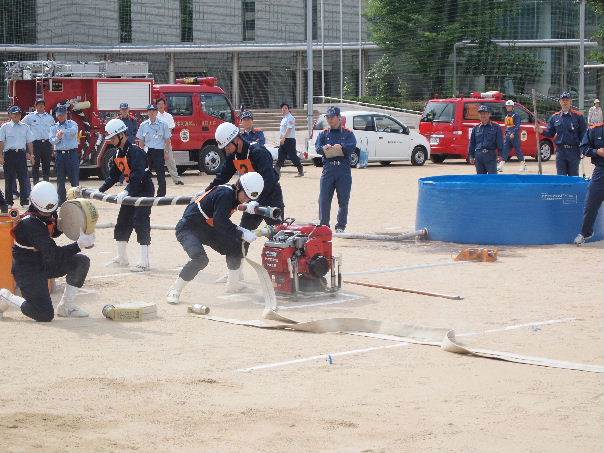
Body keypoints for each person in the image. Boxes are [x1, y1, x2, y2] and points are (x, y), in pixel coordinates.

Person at [0, 181, 94, 320]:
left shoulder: (47, 212)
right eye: (46, 211)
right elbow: (54, 254)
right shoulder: (29, 224)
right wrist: (79, 245)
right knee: (44, 314)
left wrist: (62, 226)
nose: (49, 213)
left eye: (50, 211)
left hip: (44, 261)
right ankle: (6, 296)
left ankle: (66, 306)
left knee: (80, 261)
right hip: (28, 269)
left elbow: (52, 231)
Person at [205, 122, 285, 285]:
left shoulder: (257, 152)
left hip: (270, 198)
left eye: (227, 146)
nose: (225, 150)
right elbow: (222, 177)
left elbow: (270, 179)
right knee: (240, 238)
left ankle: (286, 273)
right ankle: (236, 273)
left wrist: (257, 203)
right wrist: (206, 192)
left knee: (278, 236)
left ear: (237, 140)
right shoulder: (233, 156)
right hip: (251, 201)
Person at [166, 172, 264, 304]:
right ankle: (175, 290)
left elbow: (225, 208)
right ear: (239, 187)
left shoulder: (232, 194)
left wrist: (245, 207)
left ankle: (233, 284)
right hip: (188, 228)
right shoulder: (226, 194)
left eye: (249, 198)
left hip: (206, 227)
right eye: (246, 196)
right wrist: (241, 232)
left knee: (235, 246)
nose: (246, 199)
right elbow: (220, 221)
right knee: (200, 259)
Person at [101, 119, 155, 272]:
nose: (111, 141)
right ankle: (122, 258)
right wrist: (100, 191)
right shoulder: (118, 153)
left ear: (122, 135)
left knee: (140, 221)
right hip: (132, 190)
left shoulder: (135, 151)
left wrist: (126, 191)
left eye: (112, 138)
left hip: (144, 189)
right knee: (122, 221)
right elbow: (112, 176)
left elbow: (138, 176)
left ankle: (144, 261)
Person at [315, 106, 357, 232]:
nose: (329, 120)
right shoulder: (324, 133)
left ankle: (341, 226)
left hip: (343, 170)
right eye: (328, 117)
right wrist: (324, 148)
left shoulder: (348, 133)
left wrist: (341, 147)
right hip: (328, 169)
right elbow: (317, 147)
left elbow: (352, 146)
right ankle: (324, 226)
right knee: (323, 199)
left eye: (332, 117)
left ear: (339, 118)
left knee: (343, 200)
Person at [537, 92, 587, 176]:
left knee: (573, 177)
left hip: (574, 151)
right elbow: (550, 133)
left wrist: (583, 148)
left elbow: (583, 134)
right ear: (560, 102)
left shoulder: (578, 116)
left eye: (567, 100)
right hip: (561, 151)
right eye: (563, 100)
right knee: (561, 177)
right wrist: (541, 130)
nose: (565, 102)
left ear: (570, 101)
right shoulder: (555, 117)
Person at [574, 121, 604, 245]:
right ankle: (585, 232)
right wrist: (597, 152)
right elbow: (584, 148)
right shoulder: (595, 129)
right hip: (601, 171)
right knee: (591, 202)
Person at [0, 105, 34, 207]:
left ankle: (24, 201)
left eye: (18, 114)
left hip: (21, 154)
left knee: (23, 178)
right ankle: (9, 202)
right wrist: (0, 156)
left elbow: (29, 142)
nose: (17, 116)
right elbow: (1, 142)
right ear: (10, 115)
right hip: (9, 154)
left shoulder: (25, 127)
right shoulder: (4, 127)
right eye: (15, 114)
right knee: (9, 179)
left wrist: (32, 154)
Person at [136, 104, 171, 197]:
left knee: (161, 174)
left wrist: (166, 152)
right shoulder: (143, 125)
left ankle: (161, 195)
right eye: (149, 111)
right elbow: (141, 140)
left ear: (156, 112)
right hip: (147, 152)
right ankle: (146, 193)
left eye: (153, 111)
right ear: (147, 112)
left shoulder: (163, 124)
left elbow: (167, 140)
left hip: (159, 151)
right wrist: (141, 153)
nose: (151, 113)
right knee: (145, 173)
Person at [50, 105, 80, 204]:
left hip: (71, 154)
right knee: (60, 179)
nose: (61, 117)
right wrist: (58, 137)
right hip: (60, 155)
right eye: (59, 115)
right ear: (56, 116)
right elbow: (52, 140)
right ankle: (61, 200)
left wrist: (63, 131)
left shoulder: (72, 123)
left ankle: (76, 199)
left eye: (63, 115)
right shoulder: (54, 127)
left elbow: (73, 132)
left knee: (74, 178)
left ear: (66, 114)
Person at [23, 99, 55, 184]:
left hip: (47, 143)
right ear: (35, 106)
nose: (41, 106)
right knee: (35, 165)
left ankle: (46, 185)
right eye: (39, 104)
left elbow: (53, 132)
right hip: (35, 144)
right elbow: (22, 126)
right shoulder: (29, 117)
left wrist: (52, 147)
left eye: (42, 104)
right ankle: (36, 186)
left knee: (46, 165)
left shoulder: (50, 118)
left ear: (44, 106)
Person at [468, 104, 504, 175]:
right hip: (478, 156)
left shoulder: (496, 127)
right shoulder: (476, 128)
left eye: (485, 113)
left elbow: (500, 142)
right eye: (481, 114)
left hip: (490, 155)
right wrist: (471, 155)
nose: (483, 115)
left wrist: (500, 155)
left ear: (489, 114)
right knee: (480, 178)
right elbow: (472, 143)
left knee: (492, 177)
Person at [156, 98, 184, 186]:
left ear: (165, 105)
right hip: (155, 142)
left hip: (166, 142)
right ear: (156, 105)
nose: (160, 105)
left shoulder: (169, 116)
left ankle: (176, 180)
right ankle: (159, 181)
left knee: (170, 161)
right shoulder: (154, 116)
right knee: (155, 162)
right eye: (159, 104)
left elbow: (171, 129)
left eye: (162, 104)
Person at [275, 102, 304, 177]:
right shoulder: (283, 119)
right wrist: (281, 138)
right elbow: (282, 130)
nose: (284, 110)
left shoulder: (290, 118)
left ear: (288, 109)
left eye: (285, 108)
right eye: (283, 108)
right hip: (284, 139)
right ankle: (277, 170)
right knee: (281, 154)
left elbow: (289, 129)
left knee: (292, 156)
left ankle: (300, 168)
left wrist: (283, 138)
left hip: (289, 140)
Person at [500, 100, 526, 173]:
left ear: (513, 107)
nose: (508, 107)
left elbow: (517, 126)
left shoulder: (516, 115)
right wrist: (505, 134)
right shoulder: (507, 116)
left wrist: (513, 133)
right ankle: (501, 165)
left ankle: (523, 165)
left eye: (509, 106)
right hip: (508, 135)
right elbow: (507, 126)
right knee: (505, 150)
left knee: (518, 150)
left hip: (514, 136)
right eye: (507, 106)